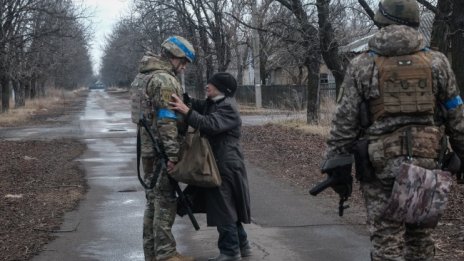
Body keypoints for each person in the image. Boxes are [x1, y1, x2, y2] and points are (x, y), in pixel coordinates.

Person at [320, 0, 464, 260]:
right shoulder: (437, 62)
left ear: (381, 20)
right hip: (426, 162)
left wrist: (336, 162)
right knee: (420, 240)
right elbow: (456, 114)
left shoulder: (363, 65)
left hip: (381, 165)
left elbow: (344, 122)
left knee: (386, 242)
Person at [169, 72, 252, 261]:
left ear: (222, 89)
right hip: (216, 162)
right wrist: (184, 100)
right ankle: (243, 246)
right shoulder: (213, 102)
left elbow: (209, 124)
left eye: (211, 84)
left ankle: (230, 252)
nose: (207, 86)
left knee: (223, 209)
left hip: (226, 165)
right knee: (227, 207)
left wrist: (186, 111)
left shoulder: (228, 107)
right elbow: (198, 105)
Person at [130, 35, 196, 261]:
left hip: (148, 148)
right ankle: (166, 255)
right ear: (173, 56)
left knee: (152, 202)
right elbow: (167, 120)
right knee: (165, 202)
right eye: (184, 61)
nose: (184, 66)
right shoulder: (165, 80)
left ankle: (154, 253)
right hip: (161, 151)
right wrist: (173, 156)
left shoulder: (143, 76)